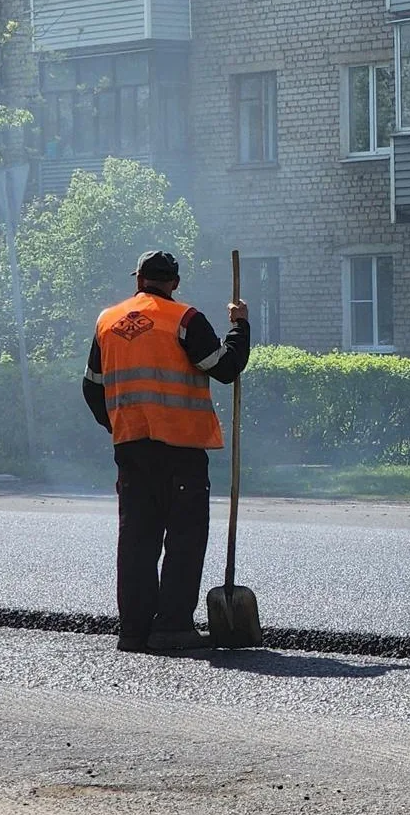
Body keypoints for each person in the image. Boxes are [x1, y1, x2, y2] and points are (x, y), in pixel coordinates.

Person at [83, 251, 249, 654]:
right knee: (184, 538)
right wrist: (240, 327)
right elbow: (225, 368)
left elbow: (92, 388)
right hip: (181, 450)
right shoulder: (185, 319)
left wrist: (119, 425)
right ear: (174, 282)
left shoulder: (108, 321)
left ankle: (134, 631)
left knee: (137, 540)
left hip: (132, 450)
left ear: (138, 279)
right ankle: (172, 627)